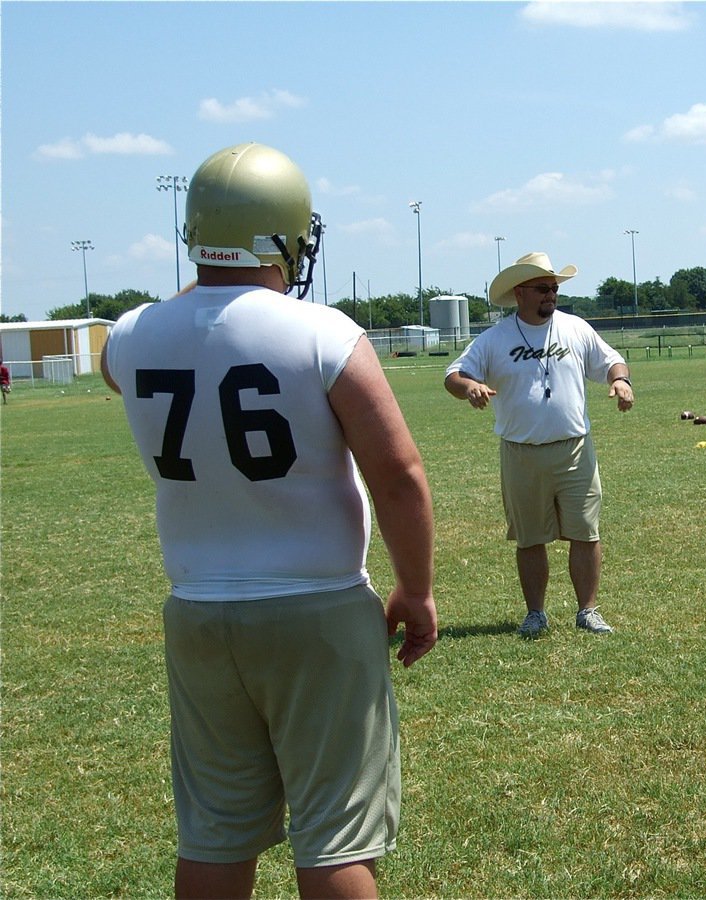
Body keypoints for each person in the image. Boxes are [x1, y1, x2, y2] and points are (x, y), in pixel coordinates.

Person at [101, 142, 437, 900]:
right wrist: (416, 588)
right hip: (314, 608)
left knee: (216, 833)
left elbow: (145, 352)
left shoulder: (132, 334)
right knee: (335, 838)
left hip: (198, 616)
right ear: (284, 232)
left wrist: (210, 274)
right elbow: (399, 473)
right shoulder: (323, 332)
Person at [444, 251, 634, 638]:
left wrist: (621, 380)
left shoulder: (575, 328)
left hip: (575, 449)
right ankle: (535, 613)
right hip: (521, 452)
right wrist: (470, 388)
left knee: (585, 532)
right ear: (519, 293)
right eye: (542, 288)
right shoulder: (494, 339)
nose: (551, 294)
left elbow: (611, 359)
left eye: (554, 288)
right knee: (530, 538)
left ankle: (588, 611)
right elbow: (453, 375)